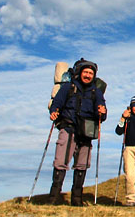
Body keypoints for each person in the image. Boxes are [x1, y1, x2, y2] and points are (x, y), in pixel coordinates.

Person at [48, 59, 107, 206]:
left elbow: (103, 113)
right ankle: (54, 198)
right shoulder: (68, 87)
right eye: (86, 72)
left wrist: (102, 112)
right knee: (60, 162)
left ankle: (77, 199)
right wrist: (54, 111)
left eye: (90, 73)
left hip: (86, 132)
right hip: (68, 127)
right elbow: (57, 103)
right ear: (80, 73)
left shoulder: (97, 92)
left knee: (82, 164)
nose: (87, 75)